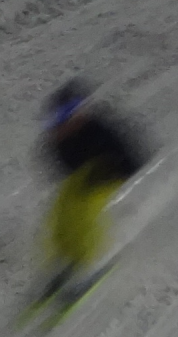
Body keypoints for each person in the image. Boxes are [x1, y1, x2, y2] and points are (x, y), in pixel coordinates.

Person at [34, 77, 148, 303]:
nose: (60, 126)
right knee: (61, 213)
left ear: (78, 114)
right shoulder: (58, 140)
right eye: (56, 120)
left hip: (110, 176)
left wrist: (110, 172)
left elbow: (133, 159)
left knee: (85, 214)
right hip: (83, 179)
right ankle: (64, 263)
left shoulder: (100, 131)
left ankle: (87, 266)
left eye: (66, 117)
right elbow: (61, 167)